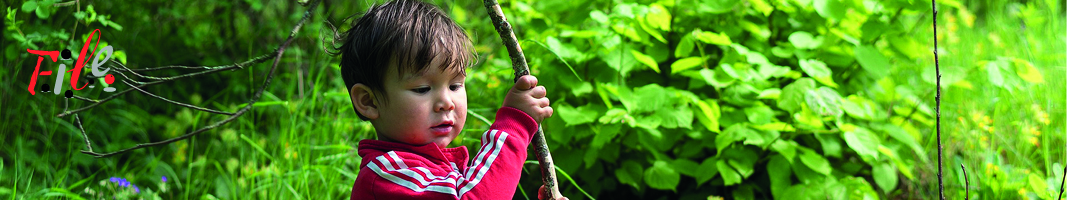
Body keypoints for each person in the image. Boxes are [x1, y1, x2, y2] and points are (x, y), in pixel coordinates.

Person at [336, 0, 556, 199]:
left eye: (455, 86)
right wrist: (515, 125)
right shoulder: (387, 176)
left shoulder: (431, 171)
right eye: (422, 89)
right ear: (369, 101)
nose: (447, 102)